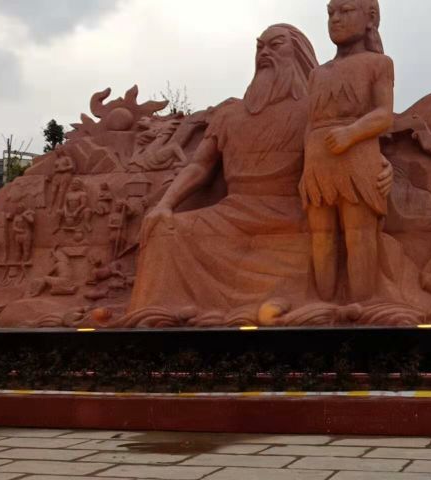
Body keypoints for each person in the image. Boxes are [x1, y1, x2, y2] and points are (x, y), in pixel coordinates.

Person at [129, 24, 392, 314]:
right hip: (231, 213)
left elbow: (339, 147)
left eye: (275, 45)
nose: (265, 53)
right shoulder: (229, 114)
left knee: (321, 243)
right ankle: (163, 316)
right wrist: (165, 204)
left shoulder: (311, 111)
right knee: (165, 230)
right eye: (260, 47)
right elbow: (199, 166)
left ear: (298, 55)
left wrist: (379, 164)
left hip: (286, 214)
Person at [300, 0, 394, 303]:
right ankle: (324, 306)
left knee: (359, 234)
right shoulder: (317, 74)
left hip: (357, 157)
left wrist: (351, 133)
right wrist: (306, 166)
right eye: (330, 13)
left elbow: (384, 115)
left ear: (370, 17)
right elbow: (309, 124)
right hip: (318, 164)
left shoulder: (379, 64)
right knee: (321, 237)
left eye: (346, 11)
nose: (335, 19)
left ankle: (362, 307)